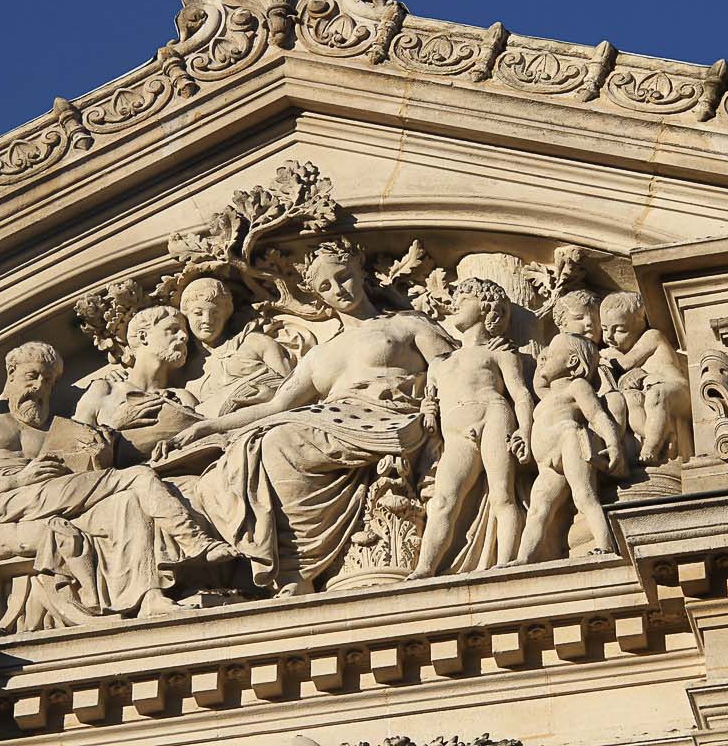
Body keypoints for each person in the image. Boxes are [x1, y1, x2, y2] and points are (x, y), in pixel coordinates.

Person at [160, 240, 456, 596]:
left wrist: (434, 399)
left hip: (392, 414)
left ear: (359, 271)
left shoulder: (406, 324)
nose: (339, 290)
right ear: (319, 296)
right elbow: (275, 406)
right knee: (255, 446)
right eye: (326, 287)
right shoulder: (320, 355)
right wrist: (205, 427)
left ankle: (295, 569)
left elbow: (450, 365)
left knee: (279, 440)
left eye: (344, 276)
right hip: (337, 419)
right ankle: (295, 565)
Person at [0, 340, 236, 625]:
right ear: (11, 373)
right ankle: (193, 540)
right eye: (32, 376)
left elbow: (84, 477)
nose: (39, 387)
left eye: (48, 382)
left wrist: (103, 444)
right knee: (137, 476)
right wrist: (16, 481)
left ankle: (149, 597)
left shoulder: (53, 431)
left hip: (53, 500)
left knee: (127, 502)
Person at [409, 278, 535, 578]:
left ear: (487, 307)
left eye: (464, 299)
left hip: (493, 415)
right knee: (443, 501)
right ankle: (425, 569)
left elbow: (520, 394)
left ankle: (505, 562)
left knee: (502, 494)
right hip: (455, 432)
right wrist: (427, 410)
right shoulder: (438, 364)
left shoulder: (499, 352)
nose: (455, 304)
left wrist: (525, 430)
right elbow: (431, 402)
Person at [515, 333, 626, 562]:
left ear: (572, 361)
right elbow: (538, 383)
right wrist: (542, 360)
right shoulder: (546, 396)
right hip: (547, 462)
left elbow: (597, 415)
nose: (543, 359)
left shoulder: (577, 386)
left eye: (551, 354)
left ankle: (604, 545)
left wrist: (613, 442)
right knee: (538, 510)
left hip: (569, 440)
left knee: (584, 495)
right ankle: (523, 559)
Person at [75, 306, 202, 464]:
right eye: (173, 330)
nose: (183, 337)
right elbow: (74, 454)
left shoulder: (182, 397)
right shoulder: (105, 390)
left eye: (186, 336)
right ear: (143, 337)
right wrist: (114, 426)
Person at [177, 277, 293, 417]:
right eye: (198, 313)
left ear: (226, 314)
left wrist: (273, 396)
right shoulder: (182, 370)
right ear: (186, 315)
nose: (207, 320)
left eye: (215, 312)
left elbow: (294, 389)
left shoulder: (256, 343)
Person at [598, 292, 692, 464]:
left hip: (677, 390)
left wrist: (606, 354)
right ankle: (660, 434)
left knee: (657, 394)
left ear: (640, 323)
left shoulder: (652, 336)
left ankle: (650, 447)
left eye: (619, 330)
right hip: (650, 394)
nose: (609, 337)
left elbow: (626, 363)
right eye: (604, 329)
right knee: (631, 398)